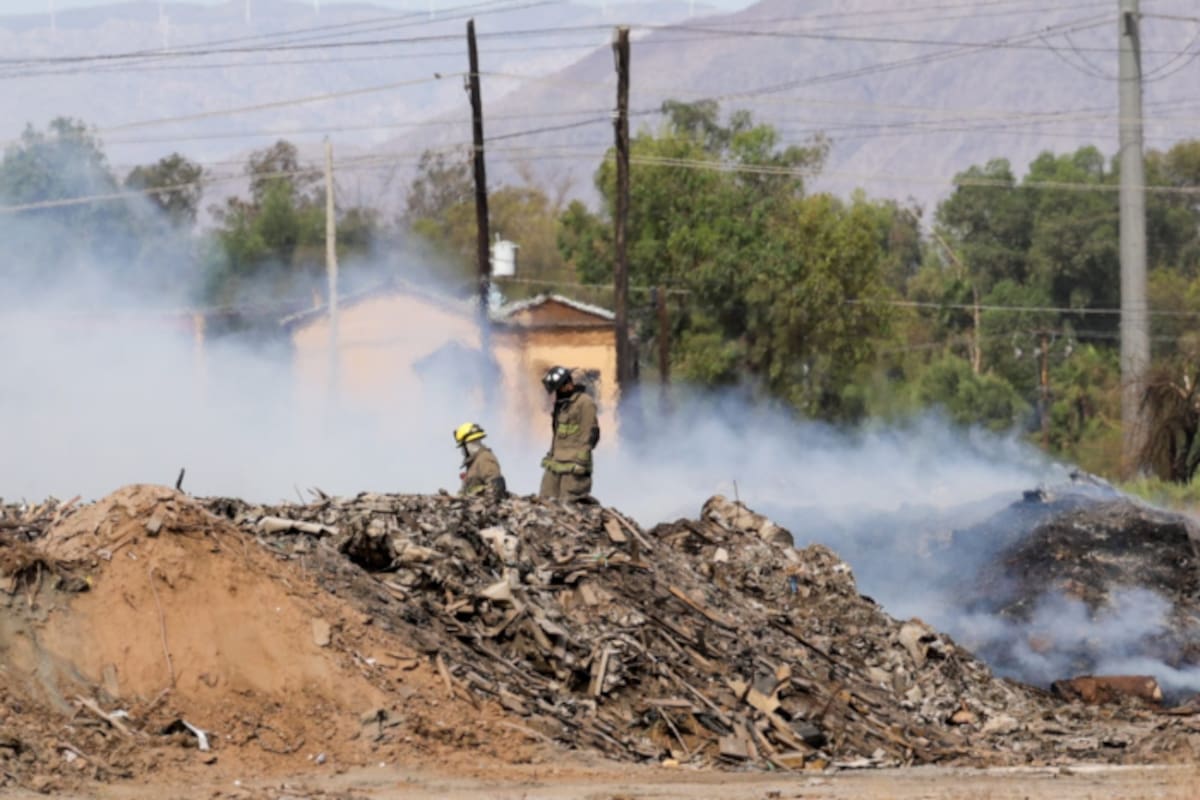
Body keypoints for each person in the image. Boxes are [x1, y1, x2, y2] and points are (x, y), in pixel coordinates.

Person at [538, 365, 600, 502]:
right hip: (556, 461)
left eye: (559, 388)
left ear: (568, 384)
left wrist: (581, 463)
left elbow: (588, 434)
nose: (558, 393)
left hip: (574, 465)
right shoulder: (561, 404)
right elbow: (556, 434)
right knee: (545, 501)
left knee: (569, 504)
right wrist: (551, 455)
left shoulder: (585, 403)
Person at [453, 422, 507, 498]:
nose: (462, 451)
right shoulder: (475, 462)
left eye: (462, 446)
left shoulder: (484, 459)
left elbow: (496, 488)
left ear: (468, 445)